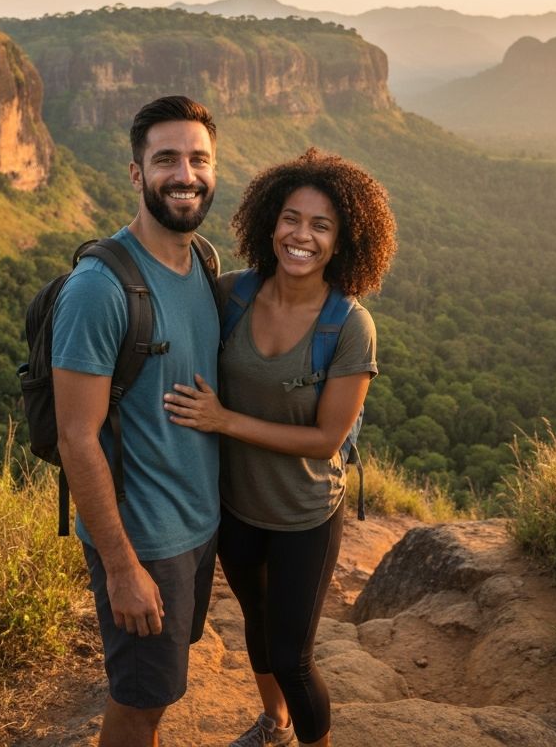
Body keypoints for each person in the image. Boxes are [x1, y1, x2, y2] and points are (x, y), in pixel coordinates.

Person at [163, 147, 397, 747]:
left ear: (342, 242)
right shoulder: (231, 296)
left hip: (303, 516)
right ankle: (275, 724)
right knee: (258, 630)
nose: (302, 236)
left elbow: (326, 441)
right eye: (292, 219)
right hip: (237, 509)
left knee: (293, 656)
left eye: (321, 226)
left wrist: (223, 420)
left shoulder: (348, 326)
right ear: (270, 224)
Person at [52, 95, 221, 747]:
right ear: (135, 172)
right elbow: (76, 436)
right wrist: (122, 567)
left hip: (197, 529)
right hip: (143, 541)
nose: (185, 174)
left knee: (161, 688)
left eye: (198, 158)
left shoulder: (202, 261)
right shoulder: (101, 287)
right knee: (139, 705)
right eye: (166, 159)